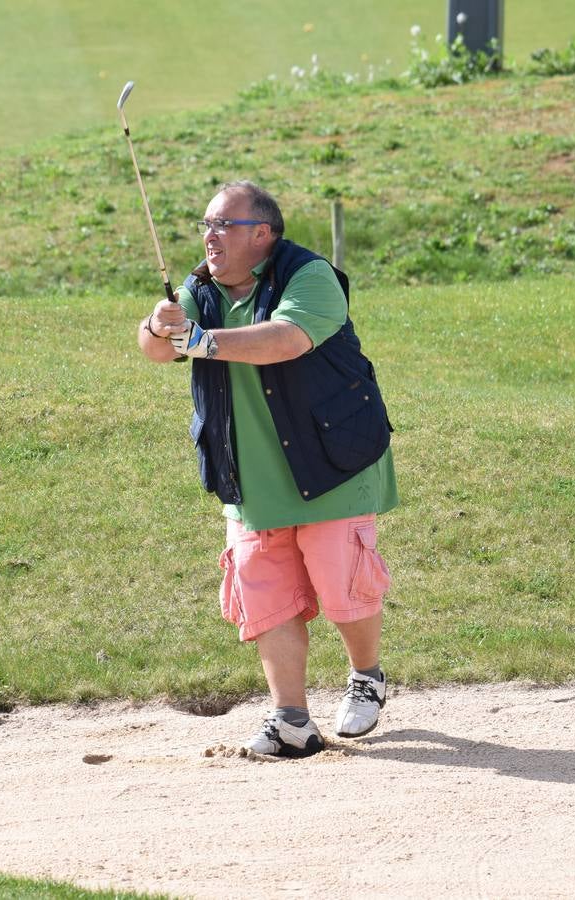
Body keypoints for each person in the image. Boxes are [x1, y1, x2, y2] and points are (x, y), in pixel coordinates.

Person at [137, 180, 398, 758]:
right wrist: (159, 327)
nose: (209, 235)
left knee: (341, 586)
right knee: (267, 595)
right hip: (249, 475)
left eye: (223, 225)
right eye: (205, 224)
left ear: (262, 233)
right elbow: (156, 348)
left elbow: (285, 340)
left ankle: (367, 676)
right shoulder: (199, 287)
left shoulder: (310, 277)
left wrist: (199, 342)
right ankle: (291, 720)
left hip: (331, 461)